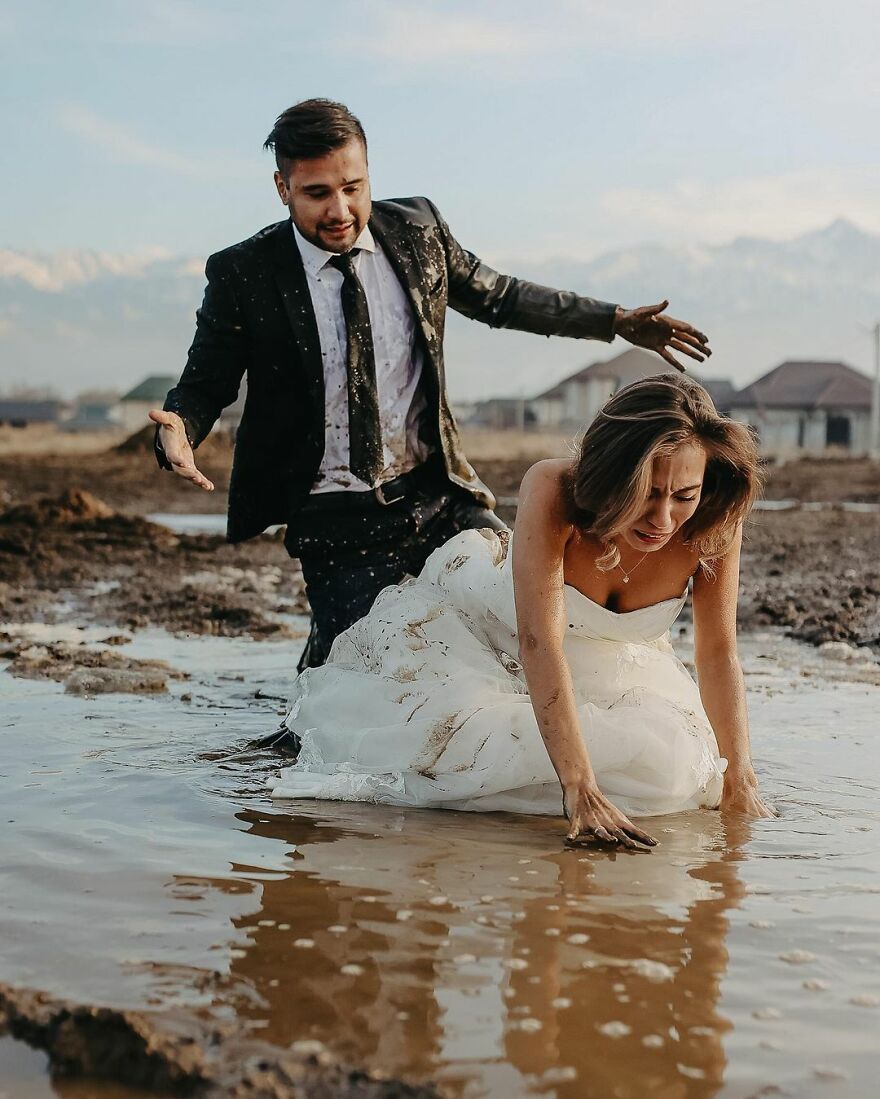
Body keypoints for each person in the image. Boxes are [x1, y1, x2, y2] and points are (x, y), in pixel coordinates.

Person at [149, 98, 711, 671]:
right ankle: (317, 683)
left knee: (533, 622)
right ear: (281, 187)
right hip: (334, 518)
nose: (341, 209)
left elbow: (503, 297)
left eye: (353, 186)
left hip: (439, 496)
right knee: (360, 675)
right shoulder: (245, 273)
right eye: (317, 193)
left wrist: (614, 321)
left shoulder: (417, 231)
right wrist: (179, 428)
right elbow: (204, 381)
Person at [270, 375, 775, 846]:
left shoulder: (713, 521)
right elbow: (540, 639)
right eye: (645, 494)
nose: (663, 518)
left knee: (674, 776)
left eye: (683, 495)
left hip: (603, 665)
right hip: (487, 633)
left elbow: (716, 652)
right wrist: (578, 786)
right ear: (610, 477)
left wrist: (741, 777)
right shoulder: (554, 487)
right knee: (455, 763)